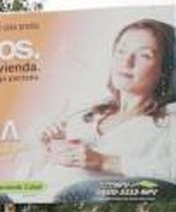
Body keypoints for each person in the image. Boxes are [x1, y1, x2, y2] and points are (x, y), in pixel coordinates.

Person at [35, 18, 175, 194]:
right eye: (121, 51)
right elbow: (38, 175)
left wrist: (104, 161)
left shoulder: (168, 122)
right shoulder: (86, 113)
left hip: (81, 206)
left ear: (164, 69)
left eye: (144, 55)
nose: (127, 62)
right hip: (39, 196)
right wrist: (48, 148)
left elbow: (170, 173)